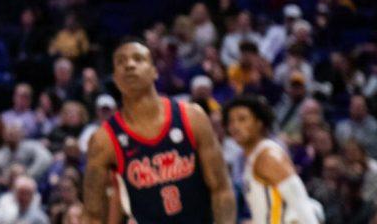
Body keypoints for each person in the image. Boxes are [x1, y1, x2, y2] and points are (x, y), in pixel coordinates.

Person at [83, 39, 235, 224]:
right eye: (121, 62)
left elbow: (221, 189)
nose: (129, 65)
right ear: (115, 79)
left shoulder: (192, 116)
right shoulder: (104, 139)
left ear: (154, 71)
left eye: (138, 59)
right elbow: (93, 214)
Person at [224, 95, 322, 224]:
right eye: (231, 121)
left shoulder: (269, 156)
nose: (235, 126)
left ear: (259, 123)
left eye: (242, 119)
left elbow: (301, 205)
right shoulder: (252, 157)